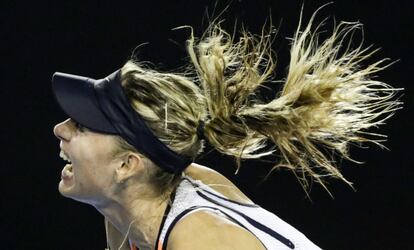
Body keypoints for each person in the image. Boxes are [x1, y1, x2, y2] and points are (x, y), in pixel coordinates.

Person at [52, 9, 400, 250]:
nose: (60, 129)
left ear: (127, 165)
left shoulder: (200, 238)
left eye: (81, 126)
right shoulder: (124, 210)